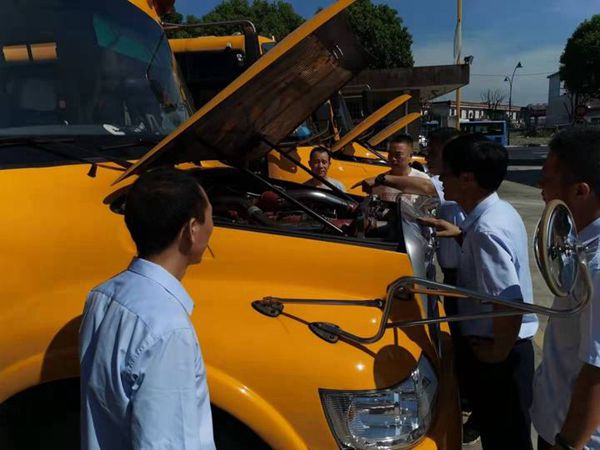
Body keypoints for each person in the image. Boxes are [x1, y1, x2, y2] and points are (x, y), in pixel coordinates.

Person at [79, 168, 216, 450]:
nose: (213, 227)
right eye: (210, 217)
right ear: (191, 230)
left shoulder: (101, 296)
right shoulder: (168, 329)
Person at [421, 135, 539, 450]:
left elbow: (508, 304)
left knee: (505, 441)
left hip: (501, 353)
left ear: (467, 179)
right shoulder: (498, 213)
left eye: (446, 173)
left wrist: (495, 355)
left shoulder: (487, 230)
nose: (440, 180)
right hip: (505, 347)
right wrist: (461, 236)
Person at [531, 128, 600, 450]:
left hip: (572, 437)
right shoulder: (582, 247)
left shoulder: (596, 267)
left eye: (547, 180)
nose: (540, 188)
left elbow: (597, 370)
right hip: (556, 420)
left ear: (580, 191)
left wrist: (568, 444)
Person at [351, 134, 434, 205]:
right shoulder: (378, 182)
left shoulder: (423, 179)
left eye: (398, 155)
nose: (393, 159)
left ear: (410, 156)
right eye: (390, 154)